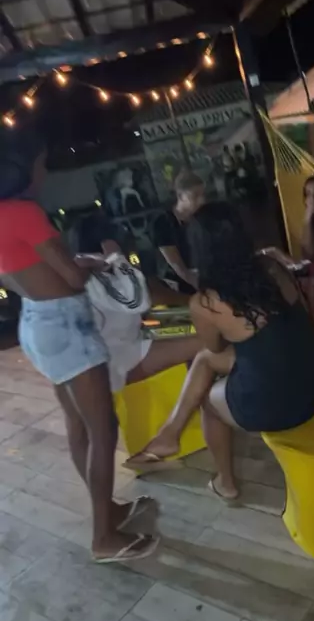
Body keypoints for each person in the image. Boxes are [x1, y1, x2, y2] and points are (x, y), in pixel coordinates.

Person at [0, 134, 158, 564]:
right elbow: (71, 278)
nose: (43, 171)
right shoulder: (24, 212)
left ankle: (107, 510)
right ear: (18, 169)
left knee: (78, 424)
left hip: (35, 320)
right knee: (103, 430)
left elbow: (26, 271)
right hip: (66, 325)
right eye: (39, 163)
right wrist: (89, 265)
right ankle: (104, 537)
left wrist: (74, 266)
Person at [125, 201, 314, 498]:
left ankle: (224, 482)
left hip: (281, 406)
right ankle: (169, 434)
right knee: (206, 361)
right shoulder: (272, 267)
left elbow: (216, 346)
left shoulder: (206, 302)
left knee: (207, 400)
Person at [71, 214, 200, 394]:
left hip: (135, 334)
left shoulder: (89, 269)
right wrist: (117, 258)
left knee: (202, 321)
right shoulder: (93, 277)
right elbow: (137, 300)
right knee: (208, 338)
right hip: (123, 359)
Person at [153, 170, 205, 294]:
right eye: (195, 196)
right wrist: (200, 286)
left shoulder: (201, 217)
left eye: (202, 195)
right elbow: (176, 264)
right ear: (181, 196)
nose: (202, 200)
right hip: (174, 283)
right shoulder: (163, 222)